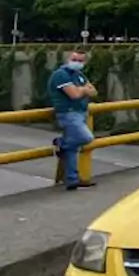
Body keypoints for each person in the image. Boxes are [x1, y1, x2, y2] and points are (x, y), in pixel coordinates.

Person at [49, 50, 98, 190]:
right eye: (74, 59)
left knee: (72, 149)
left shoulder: (79, 75)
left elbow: (94, 91)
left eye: (81, 61)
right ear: (68, 59)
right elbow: (74, 95)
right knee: (86, 137)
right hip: (68, 113)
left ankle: (72, 180)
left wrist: (81, 89)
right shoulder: (61, 75)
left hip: (81, 113)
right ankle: (61, 144)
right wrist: (83, 90)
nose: (77, 63)